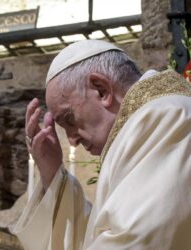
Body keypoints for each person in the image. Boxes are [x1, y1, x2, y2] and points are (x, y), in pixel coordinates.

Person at [13, 40, 191, 249]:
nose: (72, 140)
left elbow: (139, 238)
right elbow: (98, 234)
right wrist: (52, 175)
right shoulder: (145, 125)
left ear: (101, 90)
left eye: (69, 119)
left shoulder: (166, 117)